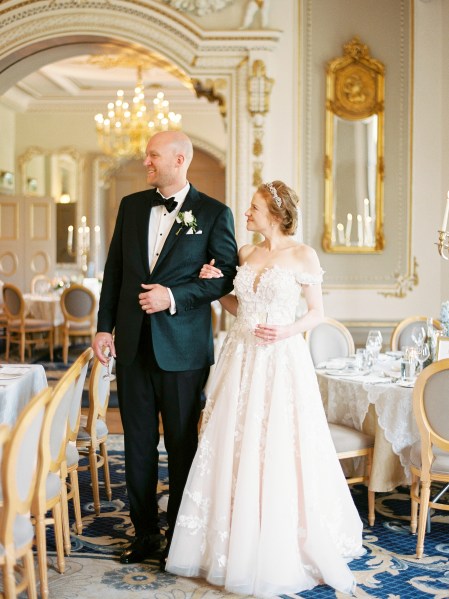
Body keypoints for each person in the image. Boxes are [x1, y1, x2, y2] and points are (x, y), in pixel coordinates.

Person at [166, 180, 365, 596]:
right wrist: (218, 287)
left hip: (280, 358)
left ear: (274, 213)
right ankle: (228, 538)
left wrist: (286, 330)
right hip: (240, 355)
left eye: (253, 208)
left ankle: (277, 540)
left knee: (276, 444)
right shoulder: (245, 253)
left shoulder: (302, 255)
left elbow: (316, 313)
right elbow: (239, 305)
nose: (247, 213)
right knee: (233, 445)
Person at [92, 130, 238, 566]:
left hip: (184, 351)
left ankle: (180, 535)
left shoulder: (214, 214)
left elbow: (226, 278)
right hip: (133, 346)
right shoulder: (132, 206)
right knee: (136, 443)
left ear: (179, 159)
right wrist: (103, 328)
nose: (146, 163)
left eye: (153, 156)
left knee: (180, 446)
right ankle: (143, 535)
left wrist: (172, 298)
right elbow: (114, 270)